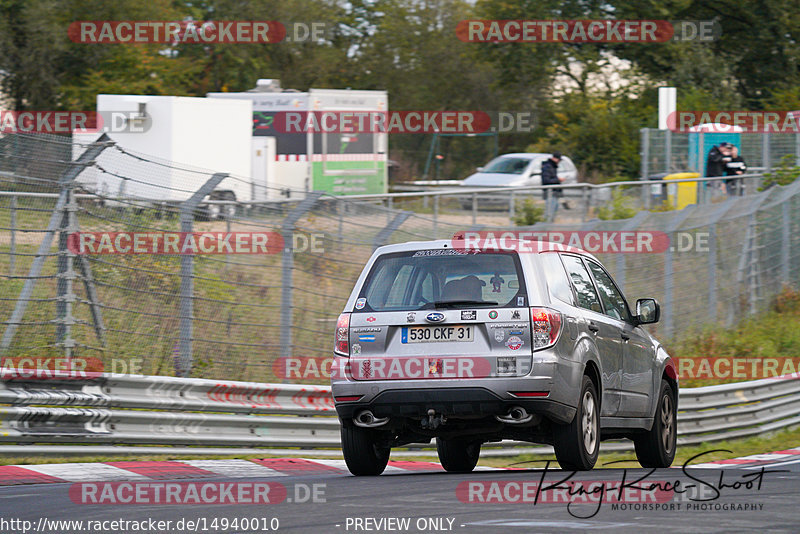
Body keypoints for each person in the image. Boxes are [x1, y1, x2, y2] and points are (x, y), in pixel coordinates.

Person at [541, 152, 564, 222]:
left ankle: (549, 226)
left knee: (554, 210)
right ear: (555, 159)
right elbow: (546, 180)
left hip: (554, 192)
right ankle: (545, 227)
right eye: (559, 160)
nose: (559, 162)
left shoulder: (552, 167)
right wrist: (558, 180)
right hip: (550, 193)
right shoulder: (547, 167)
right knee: (549, 212)